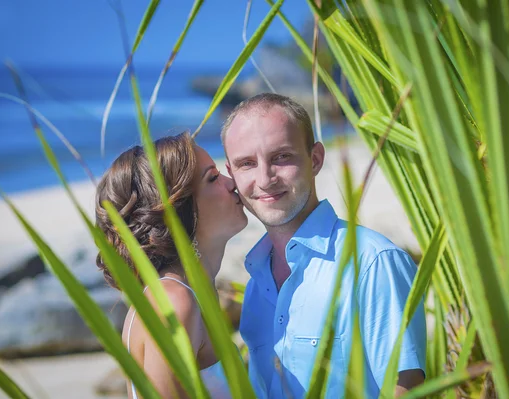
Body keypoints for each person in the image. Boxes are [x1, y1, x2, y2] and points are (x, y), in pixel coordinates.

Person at [222, 93, 426, 398]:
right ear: (232, 174)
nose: (264, 179)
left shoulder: (372, 262)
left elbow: (406, 389)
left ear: (315, 159)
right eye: (247, 164)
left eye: (281, 157)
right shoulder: (255, 284)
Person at [95, 133, 247, 399]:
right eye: (212, 178)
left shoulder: (188, 293)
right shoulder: (175, 302)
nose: (232, 183)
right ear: (181, 211)